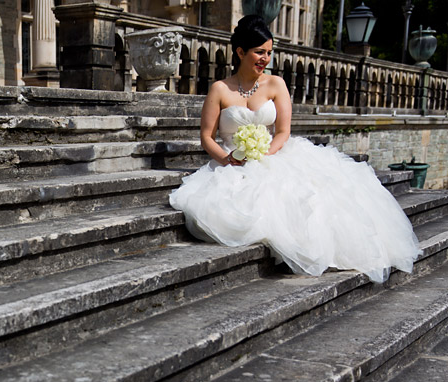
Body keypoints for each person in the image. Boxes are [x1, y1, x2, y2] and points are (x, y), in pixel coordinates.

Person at [169, 15, 420, 283]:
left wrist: (265, 154)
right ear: (241, 52)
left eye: (269, 53)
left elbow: (283, 132)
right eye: (259, 52)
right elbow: (207, 136)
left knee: (305, 197)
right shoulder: (220, 89)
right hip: (232, 160)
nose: (265, 58)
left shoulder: (276, 84)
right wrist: (226, 159)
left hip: (272, 152)